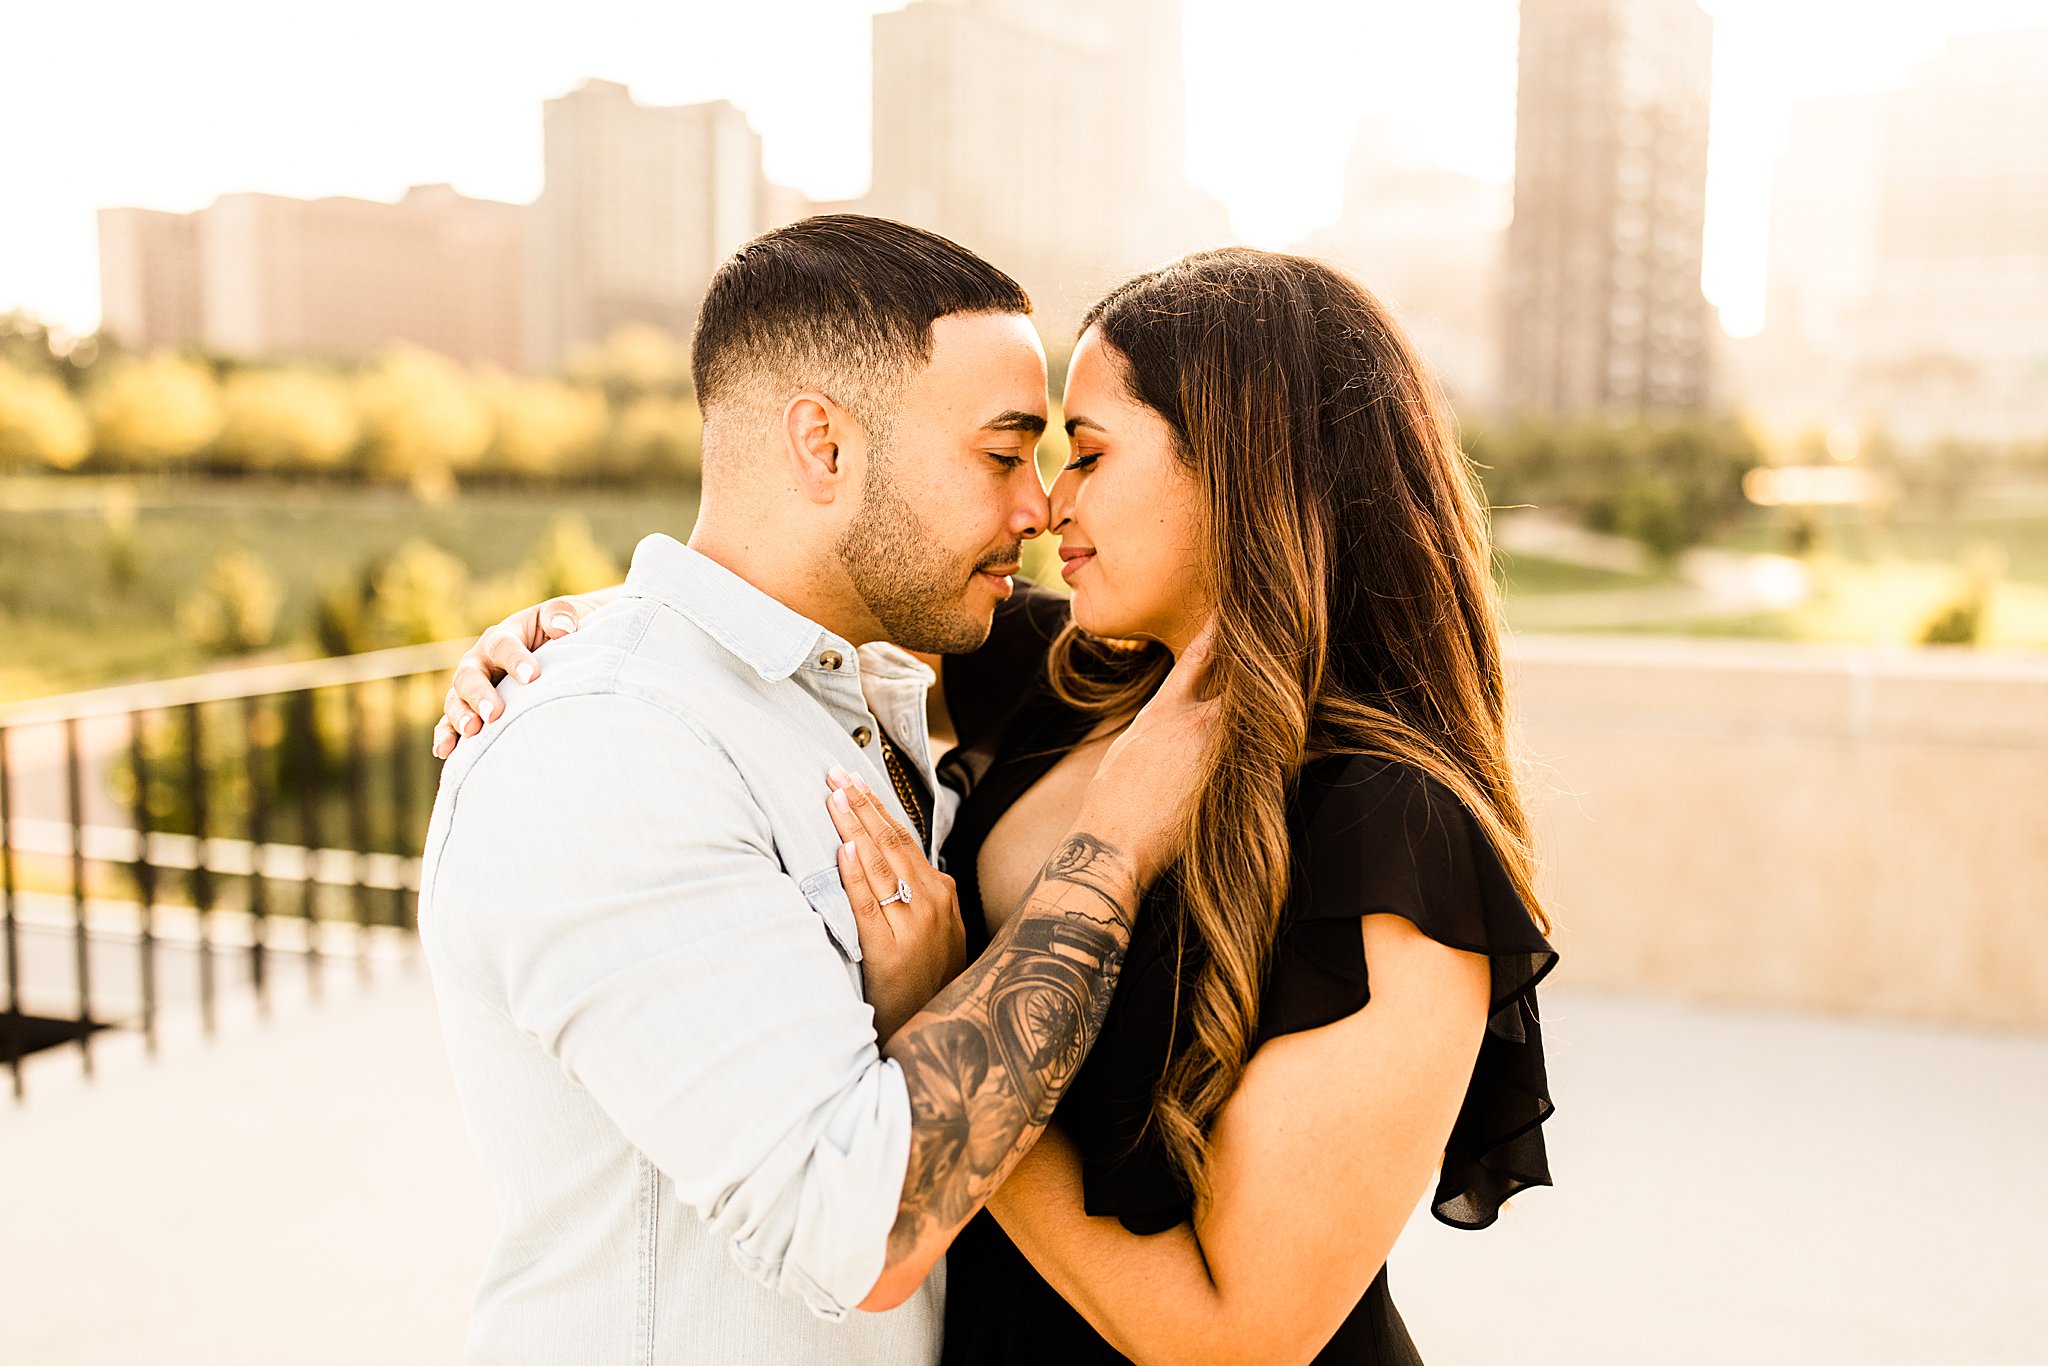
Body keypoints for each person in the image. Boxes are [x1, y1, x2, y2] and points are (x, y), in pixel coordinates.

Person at [443, 247, 1558, 1364]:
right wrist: (578, 634)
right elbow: (764, 604)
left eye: (1083, 453)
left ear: (1241, 471)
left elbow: (1245, 1339)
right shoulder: (1059, 677)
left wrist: (937, 1008)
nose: (1043, 505)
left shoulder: (1397, 829)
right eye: (1020, 453)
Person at [418, 214, 1217, 1366]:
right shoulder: (604, 751)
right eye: (1002, 454)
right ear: (823, 446)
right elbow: (866, 1229)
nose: (1038, 507)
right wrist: (1108, 856)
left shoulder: (854, 694)